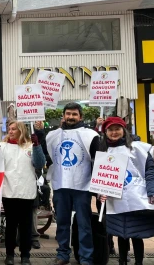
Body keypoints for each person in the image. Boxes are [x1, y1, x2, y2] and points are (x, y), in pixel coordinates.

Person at [98, 117, 154, 265]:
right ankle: (122, 260)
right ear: (105, 132)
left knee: (136, 234)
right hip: (116, 200)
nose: (114, 132)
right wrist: (101, 193)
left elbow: (150, 171)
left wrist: (153, 191)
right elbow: (102, 176)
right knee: (121, 234)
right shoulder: (104, 151)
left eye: (117, 129)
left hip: (136, 198)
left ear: (123, 130)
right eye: (110, 130)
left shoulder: (139, 148)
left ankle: (138, 262)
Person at [45, 103, 100, 265]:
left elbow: (98, 160)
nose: (70, 117)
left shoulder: (91, 135)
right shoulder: (52, 135)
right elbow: (48, 158)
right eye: (68, 114)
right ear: (63, 116)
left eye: (74, 114)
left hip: (82, 186)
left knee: (84, 224)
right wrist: (40, 133)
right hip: (60, 185)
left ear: (80, 116)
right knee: (62, 223)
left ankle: (86, 257)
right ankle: (62, 254)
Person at [0, 120, 45, 265]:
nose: (10, 131)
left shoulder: (30, 146)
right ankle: (10, 254)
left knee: (26, 227)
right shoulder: (2, 146)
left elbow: (39, 164)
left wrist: (37, 146)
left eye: (14, 129)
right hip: (9, 192)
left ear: (21, 131)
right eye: (9, 129)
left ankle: (25, 255)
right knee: (11, 226)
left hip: (26, 192)